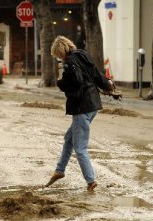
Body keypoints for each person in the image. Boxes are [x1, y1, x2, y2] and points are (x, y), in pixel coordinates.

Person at [46, 36, 114, 191]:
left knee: (80, 147)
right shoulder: (83, 55)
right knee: (69, 138)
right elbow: (96, 74)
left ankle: (90, 180)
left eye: (58, 54)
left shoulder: (70, 63)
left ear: (61, 50)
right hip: (93, 106)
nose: (59, 58)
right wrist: (108, 84)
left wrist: (60, 83)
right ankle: (60, 170)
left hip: (81, 108)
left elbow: (75, 82)